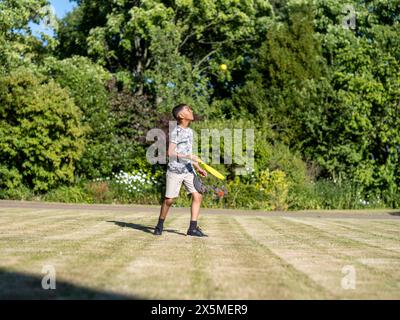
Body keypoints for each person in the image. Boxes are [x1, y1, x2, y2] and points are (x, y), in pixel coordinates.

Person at [154, 104, 208, 237]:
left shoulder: (189, 132)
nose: (192, 111)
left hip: (188, 170)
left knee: (198, 195)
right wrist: (188, 157)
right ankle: (160, 224)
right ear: (181, 116)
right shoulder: (176, 132)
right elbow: (170, 153)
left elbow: (188, 152)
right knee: (169, 200)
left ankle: (192, 228)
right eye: (188, 110)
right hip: (175, 171)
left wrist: (197, 167)